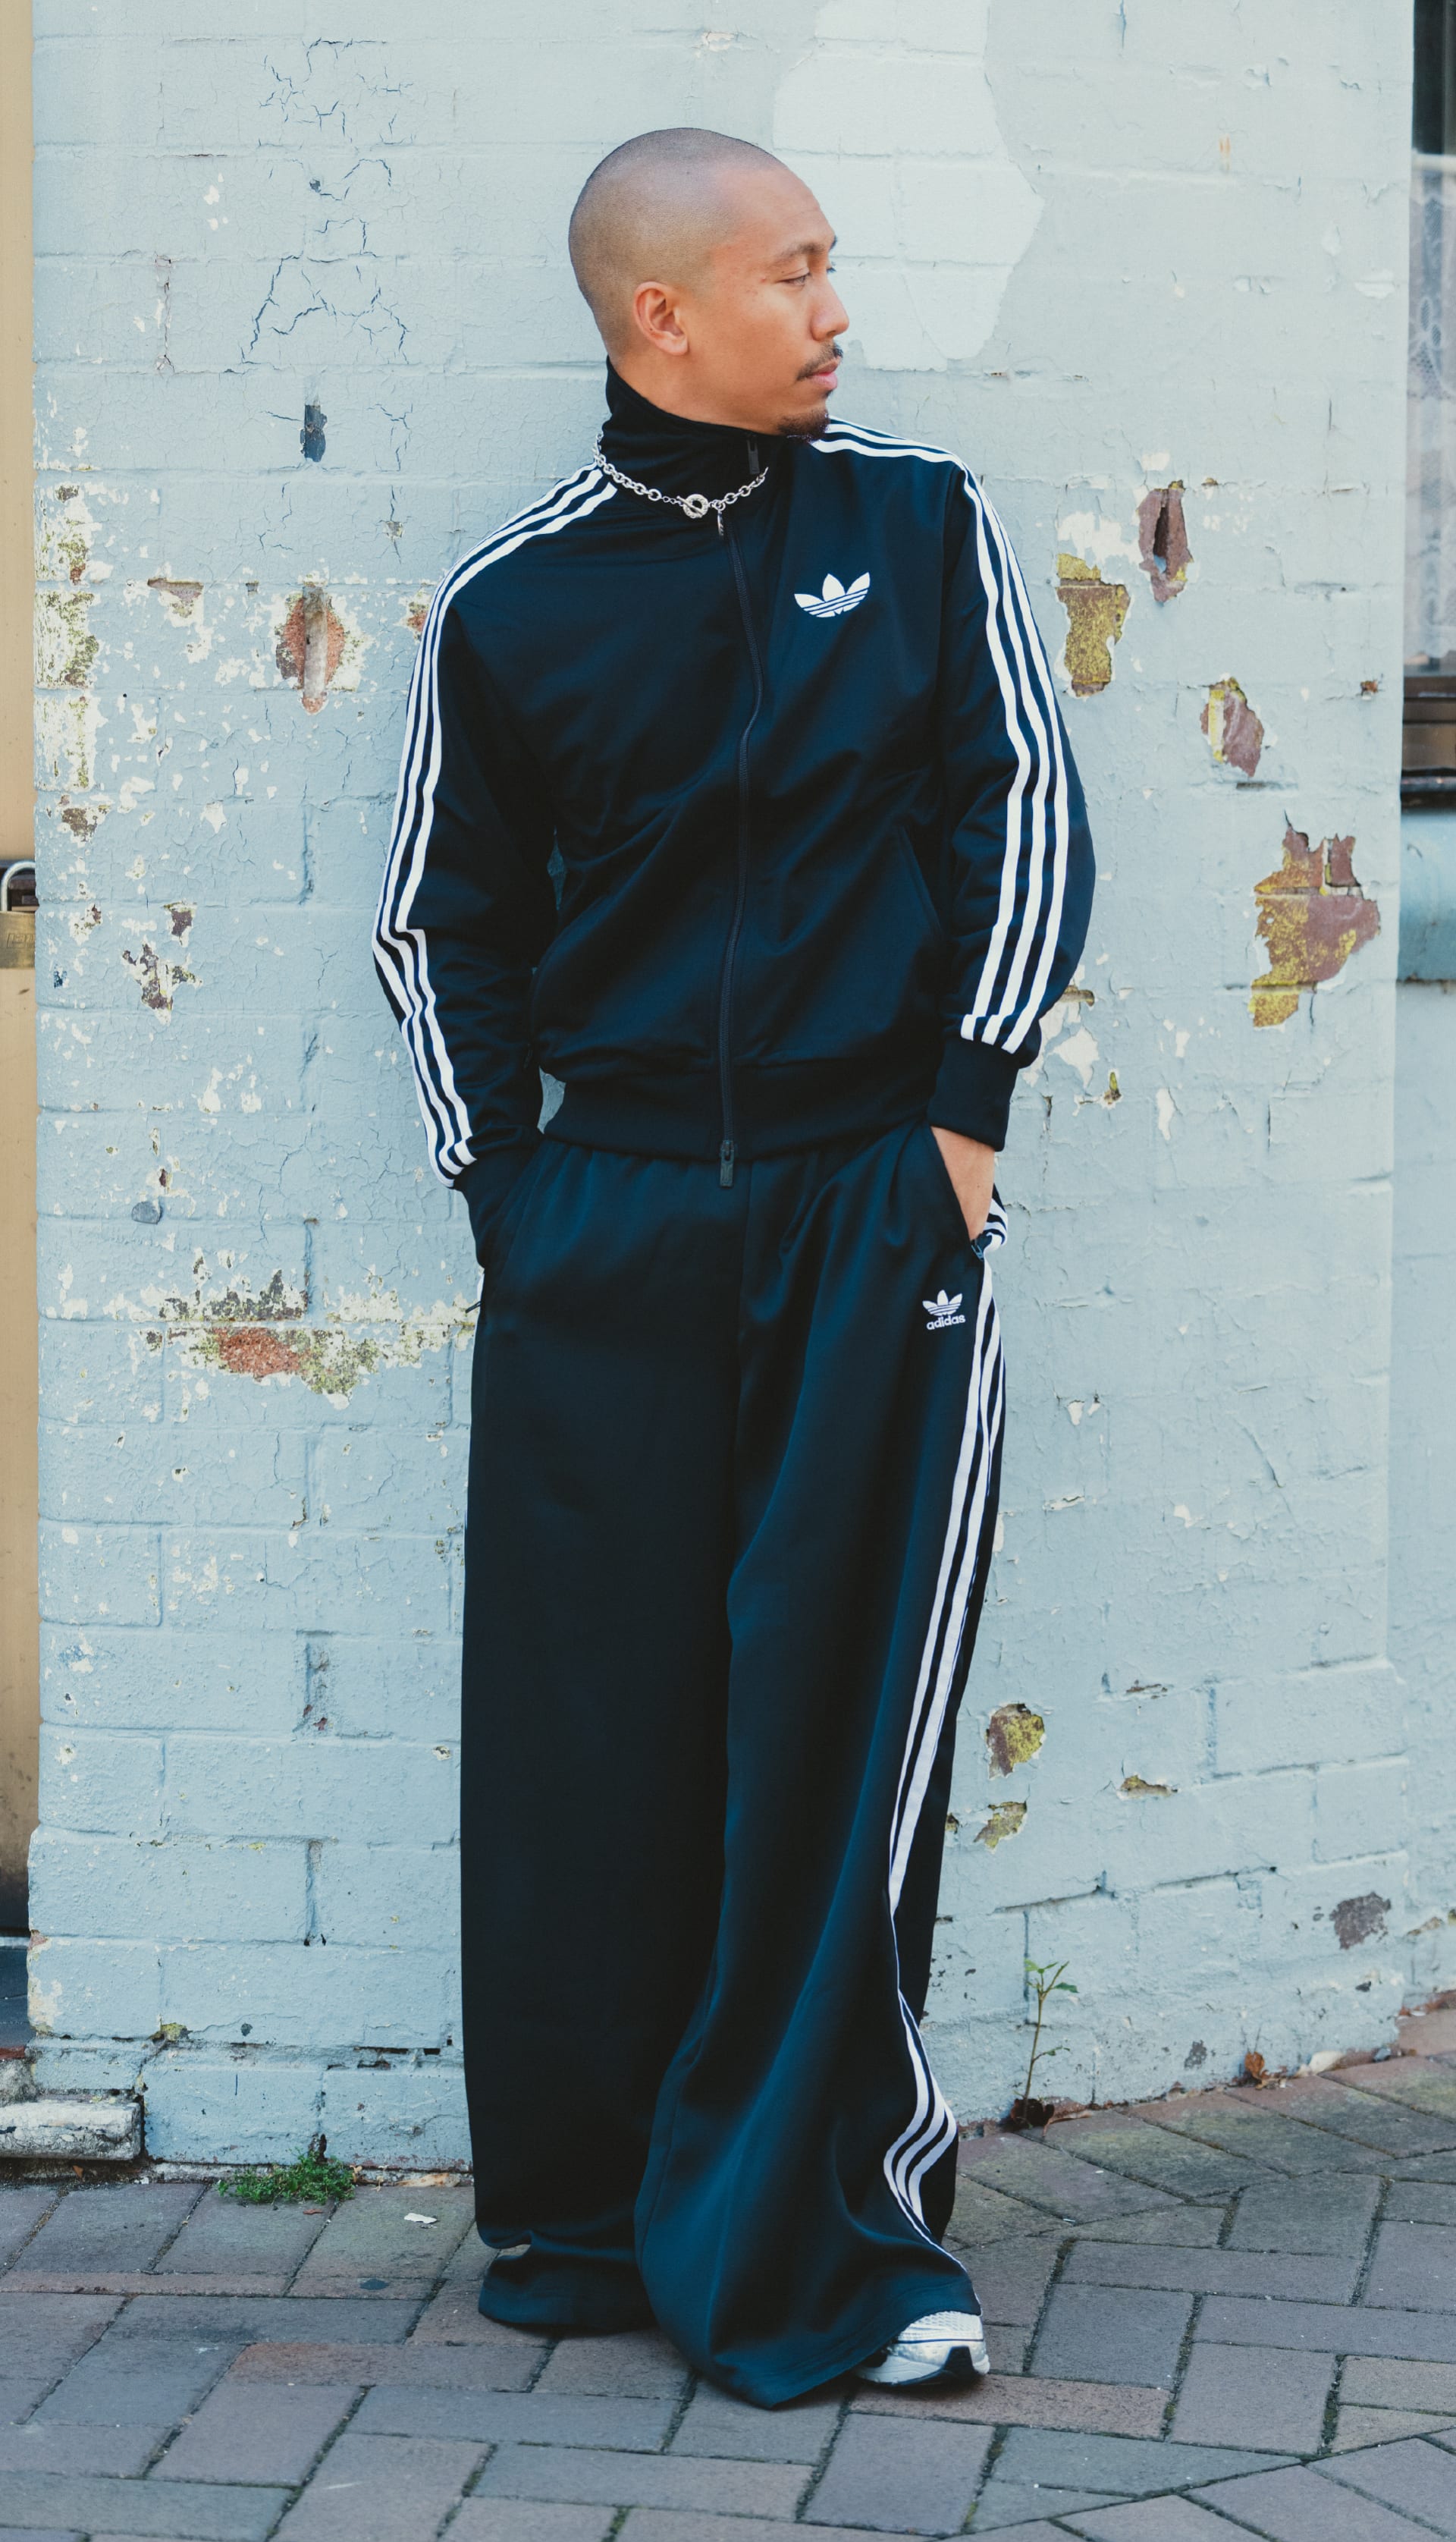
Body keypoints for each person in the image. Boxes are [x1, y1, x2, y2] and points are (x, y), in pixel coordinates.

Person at [375, 126, 1094, 2409]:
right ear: (660, 313)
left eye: (834, 267)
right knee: (589, 1737)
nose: (837, 307)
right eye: (796, 272)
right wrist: (517, 1200)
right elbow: (442, 924)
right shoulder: (517, 604)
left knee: (835, 1727)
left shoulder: (914, 524)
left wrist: (958, 1122)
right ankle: (589, 2213)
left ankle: (827, 2229)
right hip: (604, 1238)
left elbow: (1025, 817)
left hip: (864, 1214)